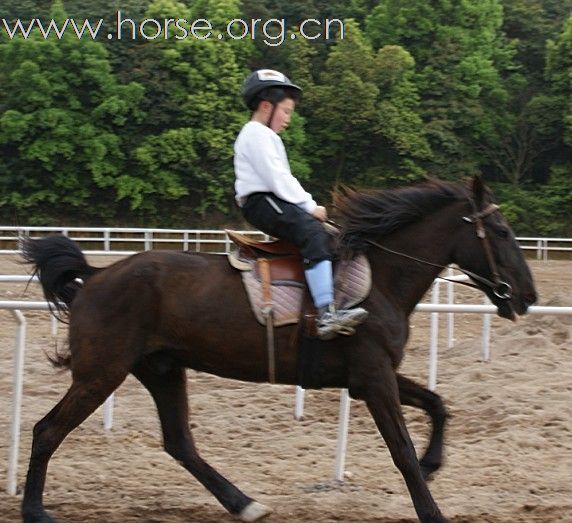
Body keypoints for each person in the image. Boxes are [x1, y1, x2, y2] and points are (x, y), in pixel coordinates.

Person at [233, 69, 368, 340]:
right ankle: (326, 314)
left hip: (273, 200)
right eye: (286, 111)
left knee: (326, 235)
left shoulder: (265, 136)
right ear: (266, 106)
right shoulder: (256, 134)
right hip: (264, 201)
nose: (288, 119)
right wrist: (309, 206)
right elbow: (278, 178)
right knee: (313, 233)